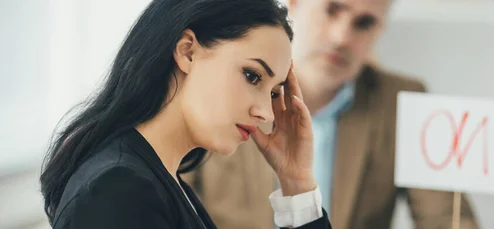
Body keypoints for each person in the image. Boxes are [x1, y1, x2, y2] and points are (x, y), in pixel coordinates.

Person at [183, 0, 481, 228]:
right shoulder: (224, 80)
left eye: (364, 23)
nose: (341, 37)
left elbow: (447, 217)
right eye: (332, 10)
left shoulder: (403, 101)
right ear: (294, 3)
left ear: (380, 30)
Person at [39, 0, 332, 228]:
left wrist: (296, 181)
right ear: (187, 51)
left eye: (272, 92)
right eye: (252, 76)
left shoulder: (160, 179)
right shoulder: (119, 189)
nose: (266, 114)